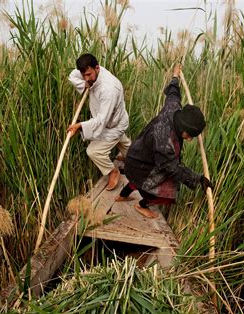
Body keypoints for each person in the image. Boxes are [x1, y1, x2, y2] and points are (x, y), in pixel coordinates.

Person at [115, 64, 213, 218]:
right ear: (183, 129)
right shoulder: (164, 142)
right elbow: (173, 169)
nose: (191, 139)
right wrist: (198, 179)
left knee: (135, 179)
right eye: (190, 135)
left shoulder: (173, 109)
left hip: (136, 156)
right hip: (143, 166)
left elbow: (173, 93)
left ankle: (122, 196)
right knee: (164, 193)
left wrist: (175, 76)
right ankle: (141, 205)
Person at [67, 53, 131, 190]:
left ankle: (113, 171)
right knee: (124, 144)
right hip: (112, 120)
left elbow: (102, 120)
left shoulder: (109, 89)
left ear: (97, 68)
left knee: (93, 151)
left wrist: (80, 126)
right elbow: (72, 75)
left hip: (113, 124)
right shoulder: (87, 73)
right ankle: (131, 157)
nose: (87, 78)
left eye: (89, 75)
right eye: (84, 75)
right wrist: (84, 83)